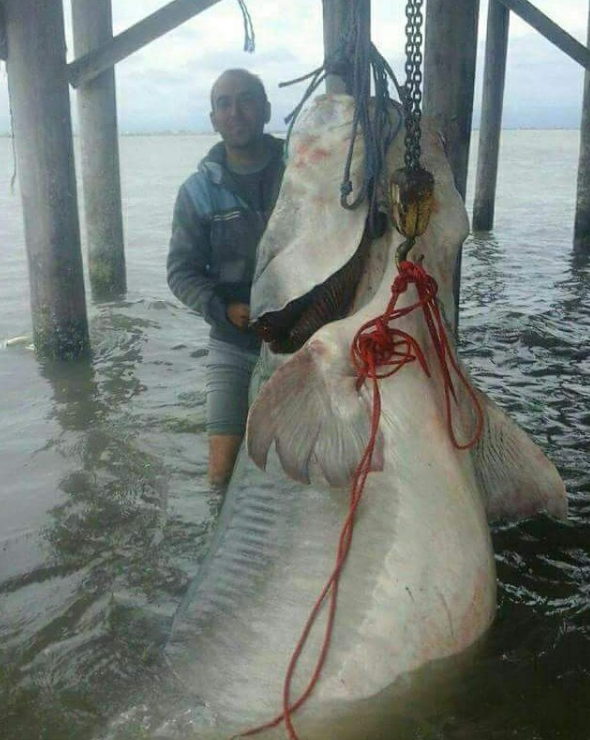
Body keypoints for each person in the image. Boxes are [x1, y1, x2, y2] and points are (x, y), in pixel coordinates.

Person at [167, 69, 284, 488]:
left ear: (267, 110)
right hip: (233, 339)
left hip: (305, 338)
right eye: (224, 103)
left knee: (313, 463)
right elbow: (181, 272)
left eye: (247, 99)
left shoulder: (305, 170)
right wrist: (222, 308)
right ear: (213, 118)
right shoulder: (197, 192)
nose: (236, 112)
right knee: (220, 469)